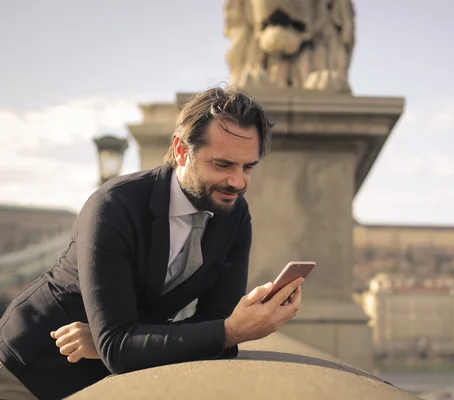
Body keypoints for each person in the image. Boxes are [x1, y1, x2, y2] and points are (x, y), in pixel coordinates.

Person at [0, 86, 304, 400]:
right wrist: (230, 332)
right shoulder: (114, 205)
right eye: (223, 165)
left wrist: (123, 341)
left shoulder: (234, 215)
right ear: (182, 151)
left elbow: (211, 327)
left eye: (248, 167)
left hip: (106, 380)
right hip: (24, 368)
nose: (238, 182)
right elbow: (130, 346)